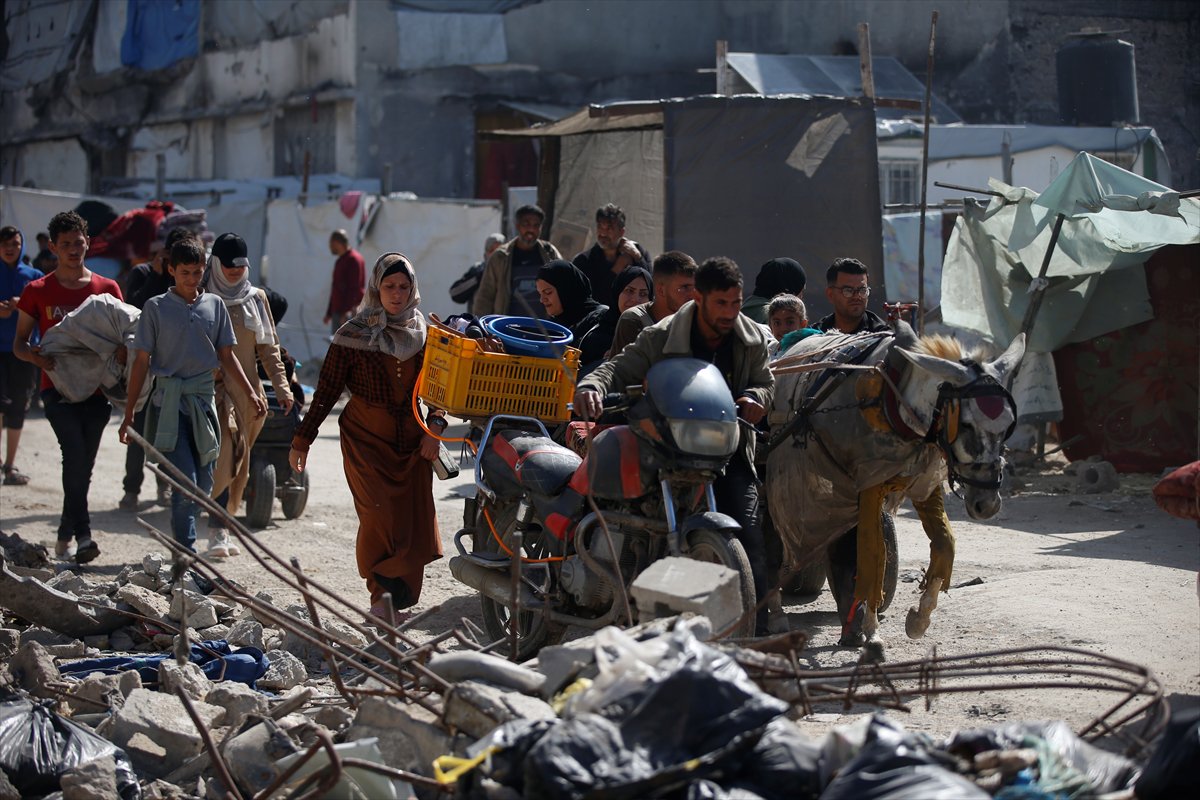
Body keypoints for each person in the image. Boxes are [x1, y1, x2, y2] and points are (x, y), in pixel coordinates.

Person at [574, 256, 774, 635]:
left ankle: (757, 634)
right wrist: (591, 386)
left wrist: (757, 397)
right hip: (667, 446)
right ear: (699, 298)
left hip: (726, 449)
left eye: (735, 303)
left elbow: (765, 382)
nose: (729, 312)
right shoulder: (662, 335)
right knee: (620, 500)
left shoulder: (750, 339)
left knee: (748, 536)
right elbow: (618, 367)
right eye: (720, 303)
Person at [288, 253, 445, 623]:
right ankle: (379, 598)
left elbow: (440, 388)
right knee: (378, 516)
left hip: (413, 443)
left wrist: (435, 429)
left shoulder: (425, 335)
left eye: (403, 286)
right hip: (365, 441)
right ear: (376, 287)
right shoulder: (353, 334)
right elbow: (326, 391)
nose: (396, 294)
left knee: (410, 522)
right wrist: (302, 440)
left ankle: (395, 603)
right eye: (389, 286)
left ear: (413, 289)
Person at [119, 236, 267, 552]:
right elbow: (141, 362)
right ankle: (186, 553)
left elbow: (227, 355)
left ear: (204, 269)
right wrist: (130, 411)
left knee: (205, 482)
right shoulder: (155, 308)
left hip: (204, 404)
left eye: (197, 272)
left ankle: (187, 549)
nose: (191, 279)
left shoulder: (214, 305)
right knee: (185, 483)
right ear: (171, 270)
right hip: (168, 406)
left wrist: (251, 393)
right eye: (184, 272)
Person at [13, 211, 125, 562]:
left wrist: (123, 351)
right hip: (56, 389)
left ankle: (64, 532)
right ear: (53, 247)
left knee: (83, 466)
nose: (74, 250)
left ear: (88, 242)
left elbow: (126, 336)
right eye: (66, 245)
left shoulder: (107, 289)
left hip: (98, 392)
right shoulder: (37, 291)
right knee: (74, 455)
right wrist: (36, 359)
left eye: (78, 243)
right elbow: (19, 344)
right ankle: (84, 536)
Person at [205, 233, 295, 557]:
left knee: (238, 463)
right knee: (223, 457)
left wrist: (282, 388)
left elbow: (269, 348)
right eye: (229, 265)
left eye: (240, 266)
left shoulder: (256, 298)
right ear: (216, 263)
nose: (234, 271)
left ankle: (223, 523)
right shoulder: (201, 297)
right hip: (210, 393)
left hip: (248, 396)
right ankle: (216, 530)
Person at [119, 226, 192, 511]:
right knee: (138, 428)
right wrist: (158, 273)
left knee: (169, 433)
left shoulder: (188, 279)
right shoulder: (143, 273)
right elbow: (133, 308)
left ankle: (165, 486)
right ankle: (131, 489)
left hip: (176, 367)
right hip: (145, 363)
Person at [0, 226, 41, 485]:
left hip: (23, 352)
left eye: (14, 243)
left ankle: (10, 465)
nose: (10, 248)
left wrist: (22, 305)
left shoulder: (34, 277)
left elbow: (45, 311)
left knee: (18, 407)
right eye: (5, 244)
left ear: (22, 245)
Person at [472, 204, 562, 318]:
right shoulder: (500, 257)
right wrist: (480, 324)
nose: (531, 229)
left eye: (536, 225)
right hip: (508, 327)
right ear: (518, 226)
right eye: (526, 224)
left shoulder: (550, 253)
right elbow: (485, 296)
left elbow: (564, 288)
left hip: (544, 327)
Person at [607, 250, 697, 358]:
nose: (693, 294)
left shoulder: (693, 317)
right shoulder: (635, 320)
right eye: (685, 287)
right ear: (661, 290)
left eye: (695, 287)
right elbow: (630, 367)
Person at [571, 203, 652, 307]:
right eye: (600, 226)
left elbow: (650, 288)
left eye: (609, 228)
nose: (603, 233)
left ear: (621, 232)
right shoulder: (584, 261)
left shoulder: (637, 253)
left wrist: (638, 257)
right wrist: (617, 268)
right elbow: (594, 299)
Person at [578, 265, 653, 374]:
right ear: (618, 291)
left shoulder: (652, 336)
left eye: (643, 294)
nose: (636, 299)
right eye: (629, 291)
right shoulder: (596, 320)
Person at [535, 260, 608, 360]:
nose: (542, 299)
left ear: (566, 289)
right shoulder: (554, 326)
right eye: (540, 293)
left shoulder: (601, 320)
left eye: (548, 292)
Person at [813, 257, 888, 334]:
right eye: (848, 290)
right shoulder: (815, 334)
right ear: (830, 294)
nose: (856, 296)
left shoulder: (882, 335)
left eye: (862, 290)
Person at [323, 229, 366, 337]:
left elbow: (355, 288)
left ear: (337, 243)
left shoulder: (353, 259)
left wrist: (347, 312)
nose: (330, 247)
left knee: (346, 342)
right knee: (336, 342)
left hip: (347, 313)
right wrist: (329, 312)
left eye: (331, 244)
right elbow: (336, 288)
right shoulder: (340, 260)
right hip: (338, 311)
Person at [742, 257, 807, 325]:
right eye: (801, 290)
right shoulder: (778, 318)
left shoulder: (745, 308)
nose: (801, 297)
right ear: (791, 289)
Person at [449, 232, 506, 307]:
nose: (495, 255)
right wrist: (479, 277)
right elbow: (455, 293)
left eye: (499, 251)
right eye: (491, 250)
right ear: (486, 254)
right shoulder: (479, 269)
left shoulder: (511, 270)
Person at [766, 293, 822, 360]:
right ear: (770, 326)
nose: (783, 328)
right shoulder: (770, 349)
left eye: (790, 322)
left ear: (803, 324)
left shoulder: (806, 350)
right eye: (777, 323)